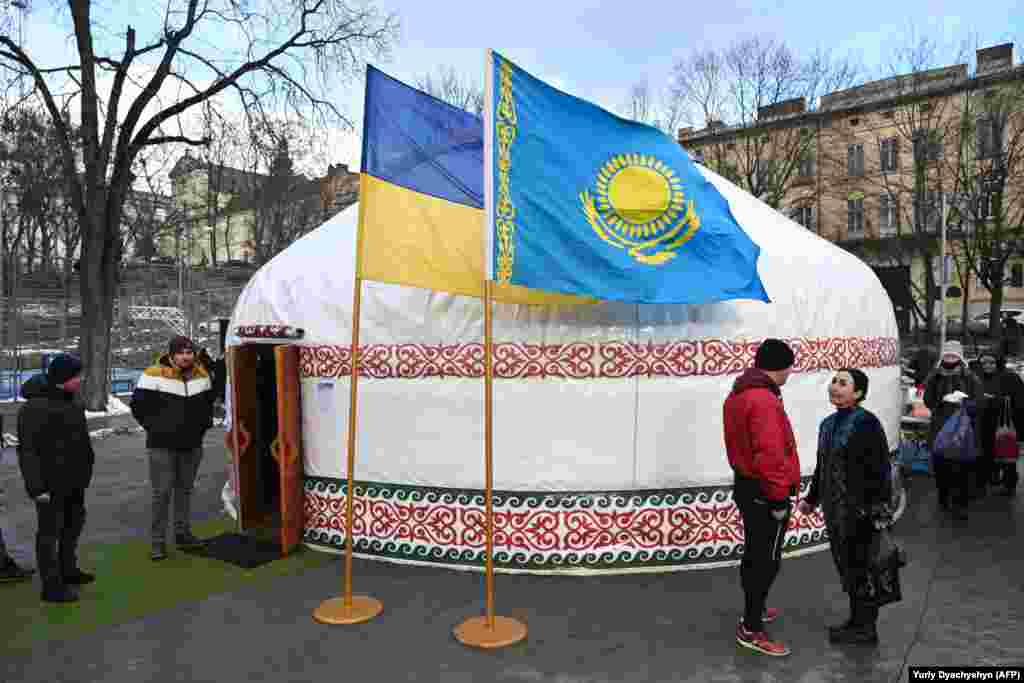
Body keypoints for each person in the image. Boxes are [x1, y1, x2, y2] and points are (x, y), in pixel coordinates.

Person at [800, 369, 901, 645]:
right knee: (847, 567)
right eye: (834, 381)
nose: (835, 386)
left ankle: (866, 628)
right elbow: (823, 467)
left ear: (858, 393)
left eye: (843, 383)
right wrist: (811, 499)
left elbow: (880, 469)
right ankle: (857, 620)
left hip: (861, 513)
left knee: (863, 567)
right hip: (836, 513)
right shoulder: (827, 424)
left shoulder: (866, 423)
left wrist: (877, 512)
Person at [723, 338, 801, 657]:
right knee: (766, 559)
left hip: (746, 485)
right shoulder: (764, 400)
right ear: (781, 367)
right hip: (764, 490)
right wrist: (779, 499)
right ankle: (752, 627)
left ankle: (754, 608)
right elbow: (769, 454)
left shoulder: (738, 394)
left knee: (755, 553)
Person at [16, 355, 96, 603]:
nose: (80, 380)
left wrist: (85, 469)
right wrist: (36, 487)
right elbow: (27, 451)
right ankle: (51, 586)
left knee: (72, 526)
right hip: (49, 485)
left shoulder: (72, 402)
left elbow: (80, 441)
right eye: (76, 376)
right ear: (63, 379)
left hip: (74, 480)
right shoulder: (33, 408)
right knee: (50, 534)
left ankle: (68, 570)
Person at [131, 336, 215, 561]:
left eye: (190, 352)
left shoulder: (202, 374)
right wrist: (156, 428)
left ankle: (183, 534)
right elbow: (138, 407)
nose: (186, 356)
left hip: (192, 445)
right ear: (172, 354)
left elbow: (208, 404)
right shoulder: (152, 374)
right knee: (162, 493)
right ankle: (157, 542)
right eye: (181, 352)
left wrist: (202, 427)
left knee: (185, 491)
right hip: (161, 446)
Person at [923, 340, 982, 520]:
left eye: (954, 355)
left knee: (962, 468)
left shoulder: (969, 376)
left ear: (960, 357)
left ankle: (960, 504)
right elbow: (928, 400)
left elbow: (979, 402)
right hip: (940, 427)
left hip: (963, 429)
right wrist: (943, 401)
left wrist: (964, 403)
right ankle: (943, 496)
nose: (950, 358)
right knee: (941, 466)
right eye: (947, 355)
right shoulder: (935, 375)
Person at [976, 352, 1022, 497]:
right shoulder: (978, 377)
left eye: (991, 362)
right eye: (984, 363)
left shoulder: (1010, 377)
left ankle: (1009, 485)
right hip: (984, 422)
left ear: (998, 363)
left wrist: (997, 400)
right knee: (985, 452)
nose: (987, 366)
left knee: (1006, 453)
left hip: (1005, 421)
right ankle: (989, 478)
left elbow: (1020, 400)